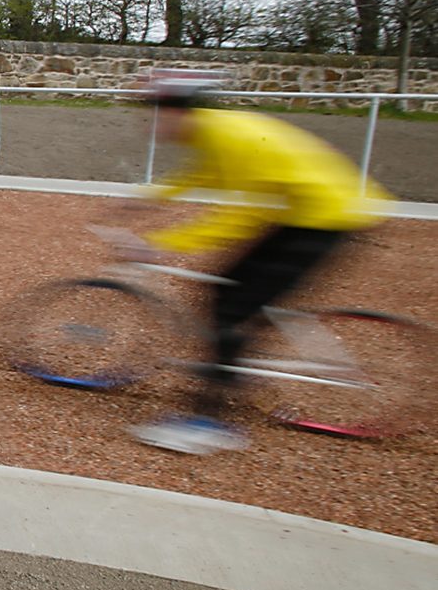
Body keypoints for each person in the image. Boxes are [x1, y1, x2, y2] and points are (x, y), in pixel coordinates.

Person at [127, 69, 389, 455]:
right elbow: (203, 173)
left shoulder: (229, 136)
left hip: (325, 220)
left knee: (233, 309)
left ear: (178, 112)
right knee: (225, 293)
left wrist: (160, 243)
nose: (151, 124)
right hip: (307, 213)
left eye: (156, 114)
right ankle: (233, 369)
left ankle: (209, 423)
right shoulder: (214, 130)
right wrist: (148, 199)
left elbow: (240, 218)